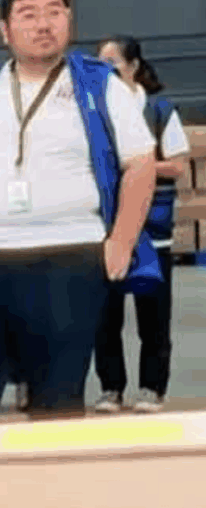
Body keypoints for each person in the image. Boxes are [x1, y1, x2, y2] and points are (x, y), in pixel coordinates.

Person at [0, 0, 156, 508]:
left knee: (56, 393)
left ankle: (49, 492)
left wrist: (121, 240)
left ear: (69, 21)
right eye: (28, 14)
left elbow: (141, 164)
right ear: (4, 30)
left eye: (54, 12)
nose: (43, 24)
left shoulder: (99, 85)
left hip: (67, 261)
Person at [94, 35, 188, 414]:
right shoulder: (94, 112)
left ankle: (152, 388)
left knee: (154, 317)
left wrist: (138, 166)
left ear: (133, 67)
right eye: (100, 66)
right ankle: (111, 389)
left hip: (153, 232)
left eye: (113, 64)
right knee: (105, 318)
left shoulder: (160, 110)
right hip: (106, 231)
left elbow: (177, 165)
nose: (106, 73)